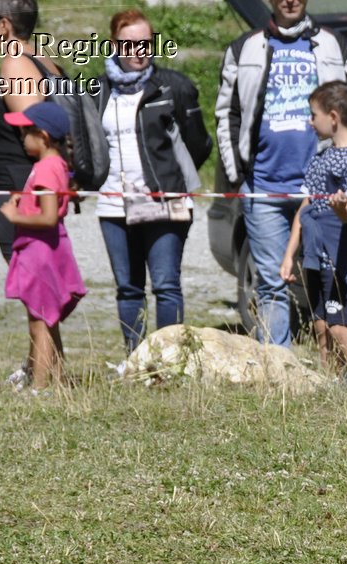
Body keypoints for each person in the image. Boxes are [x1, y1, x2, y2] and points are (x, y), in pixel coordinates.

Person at [217, 0, 347, 350]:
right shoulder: (245, 47)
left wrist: (345, 164)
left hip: (322, 191)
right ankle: (279, 366)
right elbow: (227, 111)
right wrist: (237, 169)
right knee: (271, 282)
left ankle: (341, 370)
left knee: (332, 281)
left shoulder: (335, 44)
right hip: (264, 187)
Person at [95, 8, 213, 352]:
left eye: (146, 43)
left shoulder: (173, 87)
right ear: (114, 44)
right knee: (129, 288)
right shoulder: (98, 90)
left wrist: (170, 178)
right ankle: (135, 357)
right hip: (113, 203)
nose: (139, 51)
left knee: (166, 284)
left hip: (164, 201)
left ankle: (169, 360)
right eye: (130, 44)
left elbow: (198, 143)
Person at [279, 81, 347, 388]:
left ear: (333, 117)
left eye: (313, 114)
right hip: (313, 256)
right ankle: (330, 382)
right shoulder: (320, 156)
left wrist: (341, 205)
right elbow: (304, 208)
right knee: (320, 323)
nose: (310, 121)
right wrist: (289, 255)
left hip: (339, 257)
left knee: (339, 325)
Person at [0, 101, 88, 389]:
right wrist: (21, 202)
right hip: (45, 249)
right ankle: (58, 381)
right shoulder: (54, 165)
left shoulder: (47, 168)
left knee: (40, 323)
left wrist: (15, 215)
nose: (22, 139)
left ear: (44, 137)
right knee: (47, 319)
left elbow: (49, 217)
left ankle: (40, 388)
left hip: (41, 252)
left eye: (26, 132)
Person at [0, 0, 68, 262]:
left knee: (33, 283)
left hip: (21, 188)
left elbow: (37, 133)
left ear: (4, 25)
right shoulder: (42, 60)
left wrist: (27, 197)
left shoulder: (16, 64)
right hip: (30, 185)